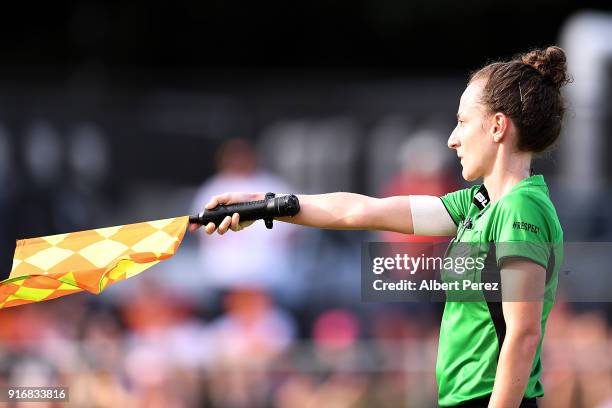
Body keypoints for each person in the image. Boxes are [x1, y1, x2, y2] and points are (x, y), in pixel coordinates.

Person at [191, 46, 570, 408]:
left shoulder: (521, 209)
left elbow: (522, 335)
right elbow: (360, 211)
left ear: (498, 127)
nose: (453, 139)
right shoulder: (477, 204)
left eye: (462, 121)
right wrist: (265, 207)